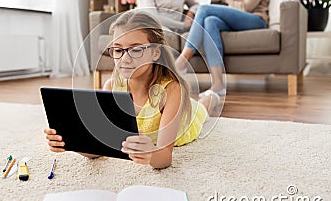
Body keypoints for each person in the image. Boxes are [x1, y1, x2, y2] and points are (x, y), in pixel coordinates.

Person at [44, 10, 209, 169]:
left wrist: (150, 154)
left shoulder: (172, 90)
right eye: (118, 50)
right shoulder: (111, 87)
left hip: (186, 121)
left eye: (136, 49)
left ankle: (210, 98)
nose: (124, 59)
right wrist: (70, 141)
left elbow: (165, 157)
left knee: (202, 108)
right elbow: (99, 147)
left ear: (155, 53)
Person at [175, 0, 270, 108]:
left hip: (256, 20)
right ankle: (218, 84)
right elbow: (234, 7)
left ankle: (182, 61)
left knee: (203, 10)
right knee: (211, 21)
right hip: (241, 21)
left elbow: (247, 7)